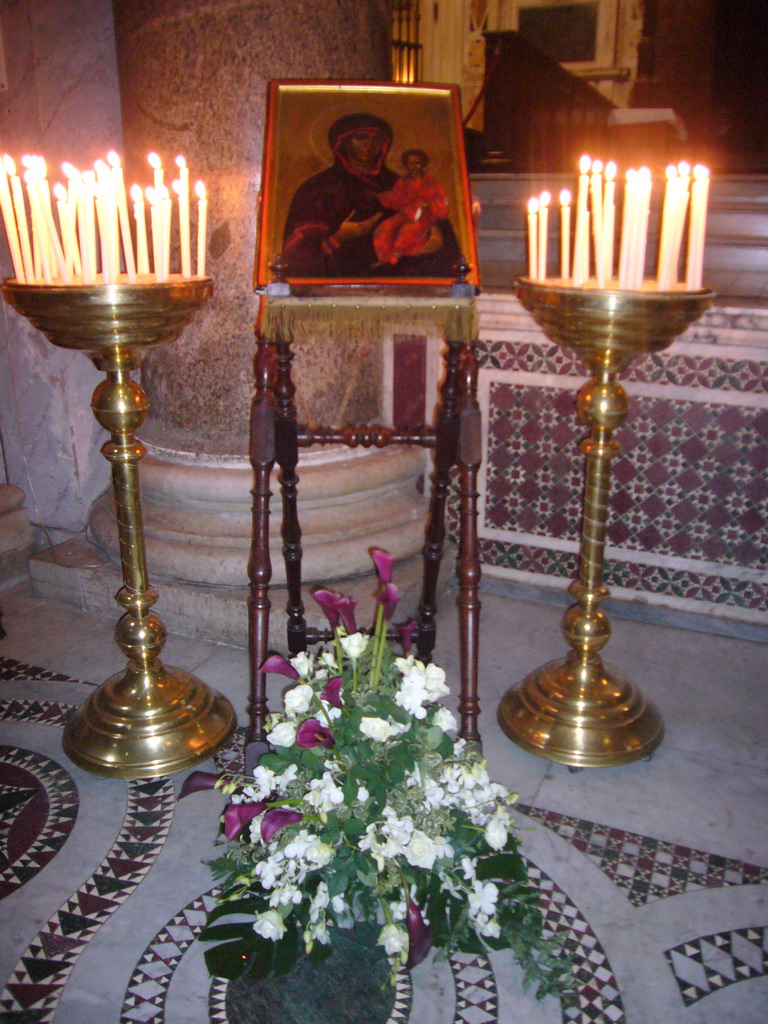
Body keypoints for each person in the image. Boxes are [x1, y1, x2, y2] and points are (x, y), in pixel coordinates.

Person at [281, 113, 459, 279]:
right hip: (340, 283)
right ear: (342, 143)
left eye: (377, 139)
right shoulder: (319, 187)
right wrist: (340, 237)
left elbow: (446, 246)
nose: (369, 144)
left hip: (399, 282)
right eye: (361, 138)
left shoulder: (404, 184)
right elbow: (296, 256)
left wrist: (431, 235)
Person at [372, 149, 449, 266]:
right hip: (405, 214)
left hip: (423, 216)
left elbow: (441, 200)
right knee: (384, 228)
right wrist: (383, 196)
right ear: (405, 165)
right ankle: (384, 259)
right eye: (410, 163)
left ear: (423, 163)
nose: (414, 166)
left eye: (417, 163)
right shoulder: (403, 181)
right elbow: (395, 198)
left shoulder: (430, 182)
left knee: (408, 230)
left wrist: (428, 204)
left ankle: (395, 257)